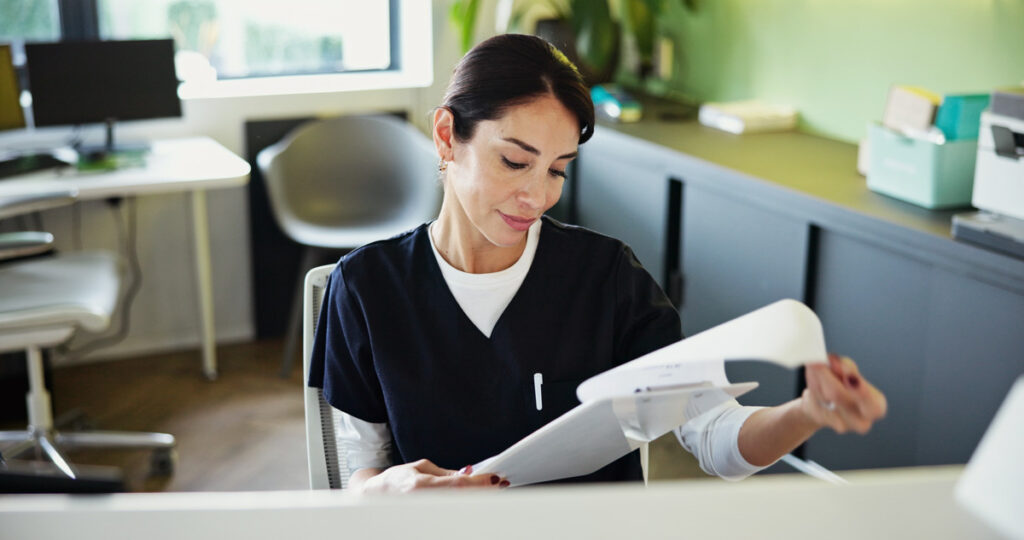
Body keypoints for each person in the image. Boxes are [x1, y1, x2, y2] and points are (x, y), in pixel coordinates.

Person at [307, 34, 887, 494]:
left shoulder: (608, 279)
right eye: (514, 161)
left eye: (558, 169)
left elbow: (715, 436)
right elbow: (358, 473)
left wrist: (808, 411)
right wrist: (390, 490)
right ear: (446, 136)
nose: (537, 196)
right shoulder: (365, 289)